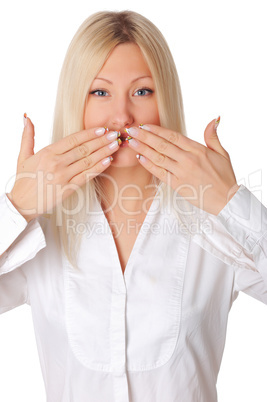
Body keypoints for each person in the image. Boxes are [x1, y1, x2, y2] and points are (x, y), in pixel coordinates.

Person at [0, 10, 266, 402]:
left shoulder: (213, 220)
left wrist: (230, 201)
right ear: (76, 101)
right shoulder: (38, 229)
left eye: (142, 91)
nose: (122, 116)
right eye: (99, 92)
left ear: (165, 100)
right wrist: (15, 209)